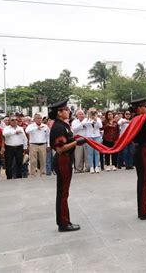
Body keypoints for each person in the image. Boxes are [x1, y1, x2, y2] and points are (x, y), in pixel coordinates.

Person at [48, 99, 86, 232]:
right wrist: (76, 143)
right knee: (63, 193)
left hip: (66, 160)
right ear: (59, 112)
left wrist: (75, 140)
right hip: (62, 160)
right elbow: (60, 148)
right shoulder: (58, 127)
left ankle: (64, 221)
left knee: (64, 192)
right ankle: (63, 223)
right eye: (66, 109)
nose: (69, 111)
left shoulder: (63, 125)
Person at [82, 108, 102, 173]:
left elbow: (100, 126)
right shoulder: (86, 119)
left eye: (94, 112)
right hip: (89, 137)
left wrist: (95, 119)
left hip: (97, 137)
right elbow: (83, 124)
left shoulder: (98, 119)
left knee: (97, 152)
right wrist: (90, 120)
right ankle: (91, 167)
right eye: (91, 113)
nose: (93, 114)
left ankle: (96, 166)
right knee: (90, 153)